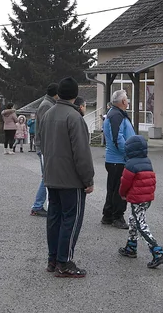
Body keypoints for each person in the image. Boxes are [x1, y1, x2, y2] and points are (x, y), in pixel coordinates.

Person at [38, 77, 95, 277]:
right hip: (71, 179)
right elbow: (81, 152)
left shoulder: (48, 114)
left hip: (51, 175)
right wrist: (88, 179)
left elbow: (41, 143)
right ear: (75, 95)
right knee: (71, 220)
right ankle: (64, 262)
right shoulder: (74, 117)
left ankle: (52, 259)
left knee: (54, 218)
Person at [118, 135, 163, 268]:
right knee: (133, 221)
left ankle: (157, 251)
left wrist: (122, 194)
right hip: (146, 199)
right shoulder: (147, 162)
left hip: (137, 199)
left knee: (140, 224)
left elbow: (125, 182)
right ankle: (131, 247)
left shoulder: (130, 165)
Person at [102, 89, 135, 229]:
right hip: (119, 160)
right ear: (122, 101)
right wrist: (129, 153)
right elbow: (118, 138)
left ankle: (108, 215)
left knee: (113, 188)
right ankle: (117, 217)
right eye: (127, 98)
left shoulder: (114, 114)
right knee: (121, 190)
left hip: (114, 159)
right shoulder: (117, 116)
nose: (128, 101)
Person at [31, 83, 58, 217]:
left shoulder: (48, 103)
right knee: (46, 177)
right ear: (56, 94)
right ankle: (37, 205)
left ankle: (38, 205)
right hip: (44, 147)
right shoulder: (47, 105)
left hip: (44, 146)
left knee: (46, 177)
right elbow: (45, 128)